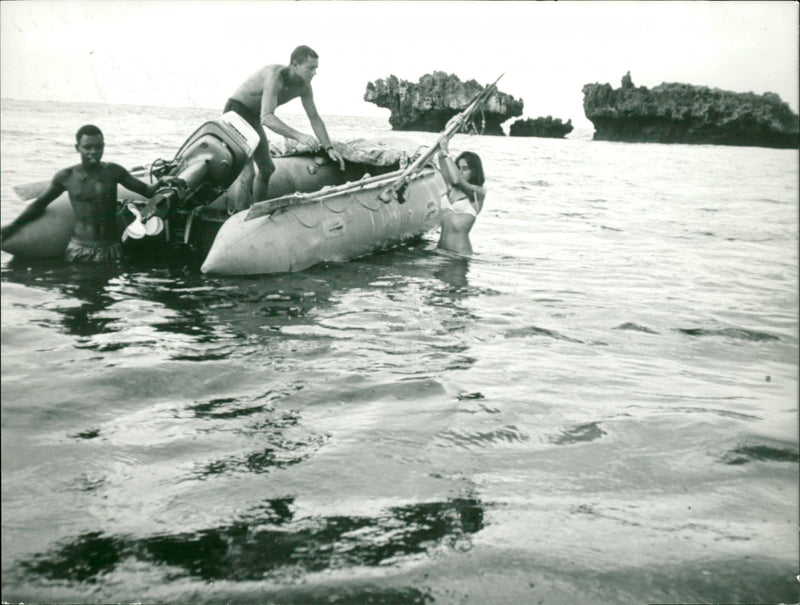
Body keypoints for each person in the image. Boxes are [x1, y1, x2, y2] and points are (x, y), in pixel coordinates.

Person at [1, 124, 180, 263]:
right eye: (87, 147)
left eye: (98, 147)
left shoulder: (114, 171)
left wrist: (161, 182)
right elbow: (39, 205)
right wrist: (13, 226)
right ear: (77, 147)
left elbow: (147, 192)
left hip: (111, 248)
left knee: (104, 302)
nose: (93, 152)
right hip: (80, 248)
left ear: (103, 146)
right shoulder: (66, 176)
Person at [224, 45, 345, 202]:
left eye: (316, 68)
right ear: (295, 64)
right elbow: (267, 118)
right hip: (236, 112)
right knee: (248, 172)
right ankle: (240, 219)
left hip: (253, 118)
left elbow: (314, 118)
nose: (314, 73)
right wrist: (299, 136)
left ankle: (257, 211)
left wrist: (329, 148)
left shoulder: (305, 88)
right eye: (310, 68)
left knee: (267, 169)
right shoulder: (274, 76)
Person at [435, 136, 486, 255]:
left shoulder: (478, 193)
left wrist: (446, 151)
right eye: (458, 167)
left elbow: (457, 180)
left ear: (474, 171)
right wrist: (441, 145)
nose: (460, 171)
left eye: (465, 169)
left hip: (459, 255)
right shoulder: (451, 187)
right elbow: (441, 158)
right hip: (440, 251)